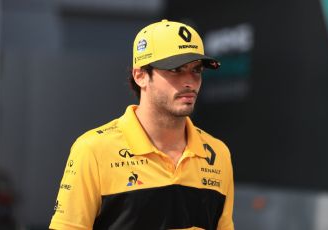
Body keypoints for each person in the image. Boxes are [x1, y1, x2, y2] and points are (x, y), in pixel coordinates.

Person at [49, 19, 234, 230]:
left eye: (197, 70)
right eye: (175, 70)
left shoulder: (218, 154)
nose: (189, 81)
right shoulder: (93, 150)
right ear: (140, 76)